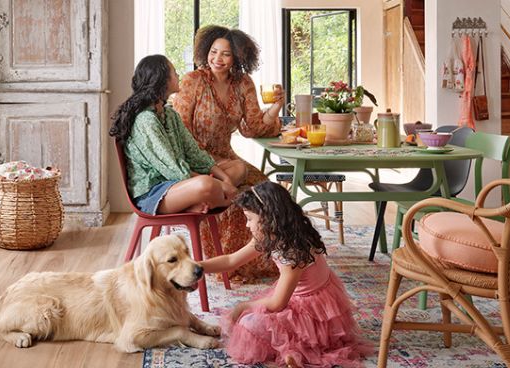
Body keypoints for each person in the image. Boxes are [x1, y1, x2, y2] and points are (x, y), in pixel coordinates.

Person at [199, 182, 372, 368]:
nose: (247, 225)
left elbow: (277, 303)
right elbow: (231, 261)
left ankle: (293, 351)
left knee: (248, 325)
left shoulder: (291, 251)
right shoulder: (275, 233)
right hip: (308, 294)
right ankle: (291, 349)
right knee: (251, 319)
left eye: (249, 218)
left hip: (314, 309)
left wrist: (243, 306)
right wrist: (198, 266)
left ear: (267, 218)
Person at [172, 25, 284, 280]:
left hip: (225, 157)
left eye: (225, 54)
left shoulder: (243, 83)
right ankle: (219, 259)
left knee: (265, 191)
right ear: (205, 52)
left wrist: (276, 106)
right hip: (194, 158)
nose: (217, 59)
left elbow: (254, 128)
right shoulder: (193, 81)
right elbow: (181, 133)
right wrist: (213, 167)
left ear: (237, 58)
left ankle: (250, 261)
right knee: (237, 183)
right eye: (213, 52)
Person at [110, 54, 240, 215]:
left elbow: (194, 153)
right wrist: (216, 183)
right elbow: (173, 169)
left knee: (238, 168)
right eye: (174, 72)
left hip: (178, 183)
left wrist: (225, 179)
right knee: (206, 184)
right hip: (154, 194)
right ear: (162, 80)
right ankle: (227, 199)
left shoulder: (170, 114)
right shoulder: (145, 120)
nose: (178, 75)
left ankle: (198, 203)